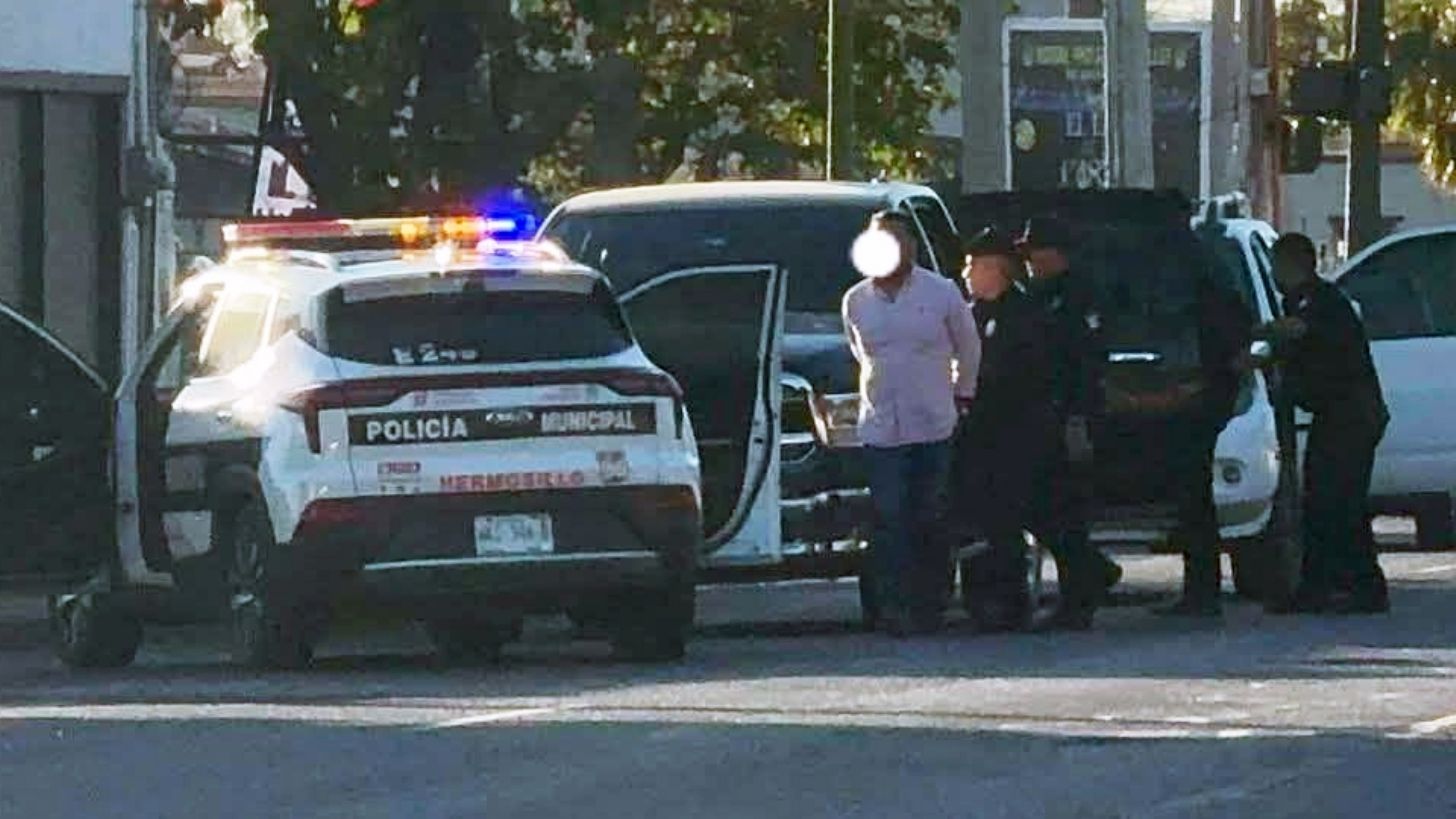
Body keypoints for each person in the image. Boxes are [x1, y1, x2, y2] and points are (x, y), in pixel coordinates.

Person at [954, 228, 1101, 631]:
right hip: (984, 434)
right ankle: (1003, 601)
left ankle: (1067, 594)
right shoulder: (972, 314)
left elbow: (1035, 375)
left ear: (997, 270)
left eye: (973, 266)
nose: (966, 274)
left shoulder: (1029, 316)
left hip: (1025, 433)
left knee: (1045, 517)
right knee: (997, 520)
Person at [843, 211, 981, 636]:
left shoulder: (941, 293)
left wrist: (963, 393)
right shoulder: (856, 300)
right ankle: (893, 605)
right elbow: (859, 352)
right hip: (881, 427)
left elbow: (968, 346)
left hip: (933, 423)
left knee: (929, 516)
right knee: (889, 517)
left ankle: (931, 602)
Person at [1264, 232, 1390, 614]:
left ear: (1294, 265)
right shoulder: (1302, 300)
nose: (1273, 273)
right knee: (1322, 501)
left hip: (1352, 415)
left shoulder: (1323, 301)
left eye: (1277, 265)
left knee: (1341, 501)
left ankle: (1364, 587)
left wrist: (1262, 335)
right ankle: (1320, 586)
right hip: (1335, 414)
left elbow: (1300, 330)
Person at [1015, 217, 1123, 602]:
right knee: (1039, 507)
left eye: (1035, 252)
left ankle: (1079, 596)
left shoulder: (1079, 296)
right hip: (1041, 415)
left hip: (1073, 415)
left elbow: (1087, 360)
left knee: (1066, 509)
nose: (1029, 261)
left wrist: (1077, 418)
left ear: (1056, 253)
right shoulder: (1035, 296)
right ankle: (1091, 570)